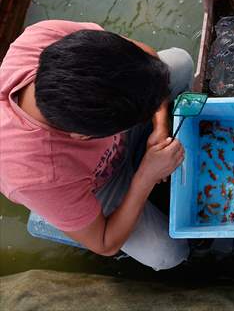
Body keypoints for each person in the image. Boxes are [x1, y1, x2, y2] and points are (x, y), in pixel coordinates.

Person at [0, 20, 193, 270]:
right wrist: (146, 176)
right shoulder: (38, 177)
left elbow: (145, 55)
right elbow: (104, 243)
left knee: (181, 61)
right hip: (95, 182)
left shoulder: (46, 37)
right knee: (167, 254)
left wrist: (159, 127)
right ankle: (64, 212)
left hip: (104, 123)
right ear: (82, 137)